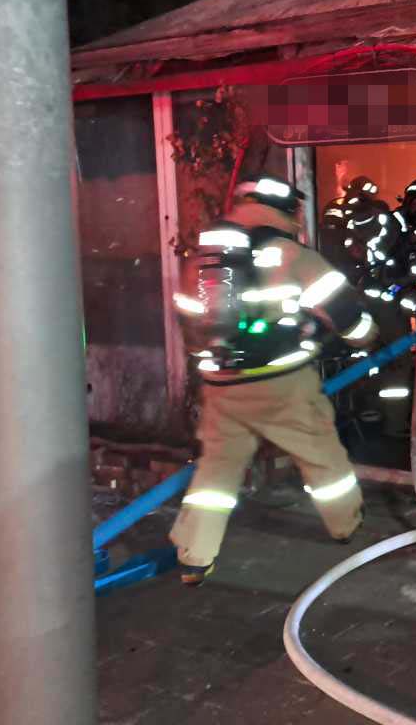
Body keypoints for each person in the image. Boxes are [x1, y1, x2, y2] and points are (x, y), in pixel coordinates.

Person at [170, 174, 376, 586]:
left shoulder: (204, 260)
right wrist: (366, 336)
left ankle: (194, 556)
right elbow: (346, 315)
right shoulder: (291, 255)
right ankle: (346, 524)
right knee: (322, 456)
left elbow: (189, 323)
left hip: (222, 384)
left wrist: (212, 360)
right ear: (283, 210)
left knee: (216, 470)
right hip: (282, 383)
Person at [354, 177, 416, 435]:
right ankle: (395, 423)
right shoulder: (392, 223)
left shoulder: (413, 228)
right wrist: (398, 288)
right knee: (399, 360)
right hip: (383, 301)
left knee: (380, 357)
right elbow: (382, 260)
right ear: (408, 200)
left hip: (386, 300)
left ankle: (373, 411)